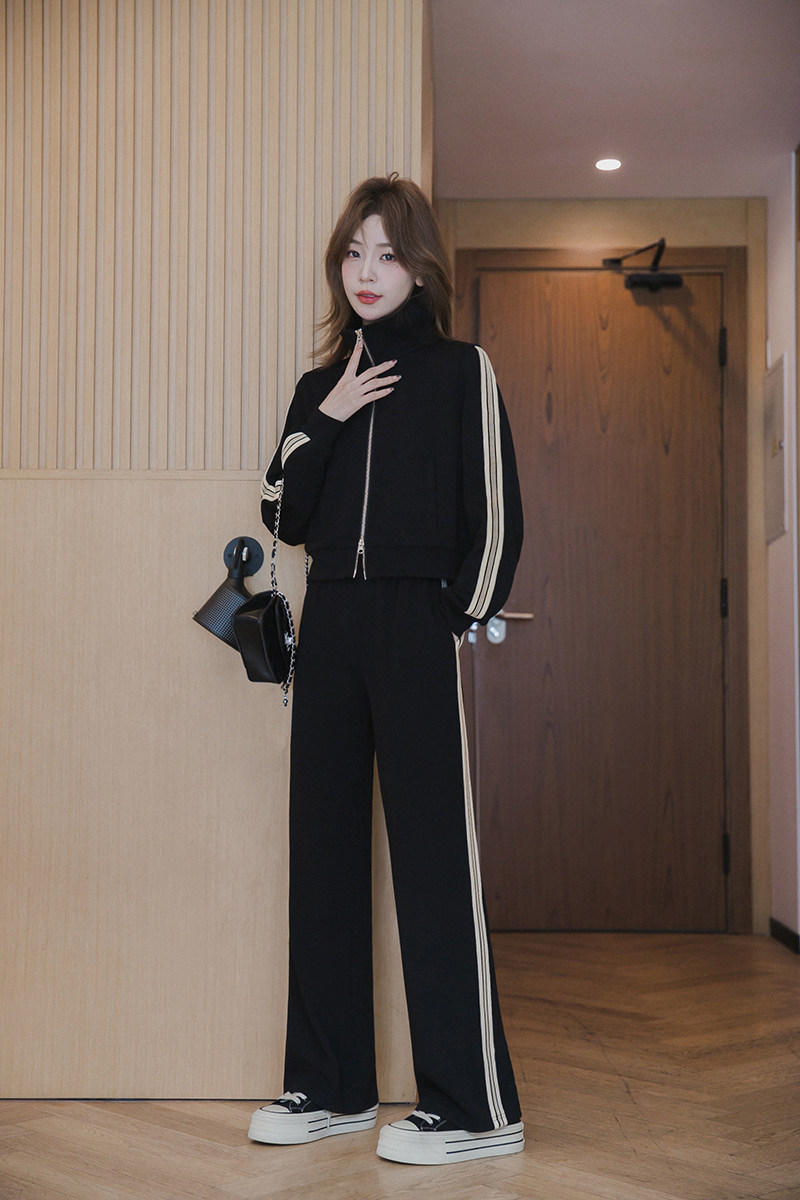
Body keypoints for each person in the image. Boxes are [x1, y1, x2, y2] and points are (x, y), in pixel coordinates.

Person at [249, 175, 524, 1167]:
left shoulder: (460, 371)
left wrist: (456, 615)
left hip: (414, 623)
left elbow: (497, 516)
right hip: (331, 622)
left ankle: (474, 1107)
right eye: (353, 254)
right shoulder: (316, 387)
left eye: (387, 254)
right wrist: (326, 415)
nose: (367, 272)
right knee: (320, 853)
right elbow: (281, 515)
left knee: (432, 860)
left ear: (419, 268)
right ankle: (329, 1087)